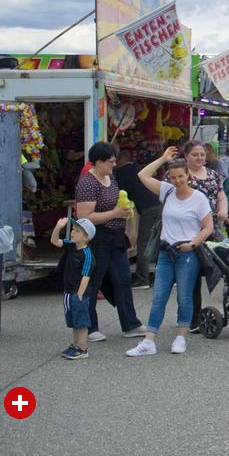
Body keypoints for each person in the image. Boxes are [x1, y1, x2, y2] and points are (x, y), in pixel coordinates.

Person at [127, 148, 214, 357]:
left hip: (186, 253)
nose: (177, 181)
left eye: (181, 177)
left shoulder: (199, 198)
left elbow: (208, 227)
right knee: (159, 296)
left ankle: (181, 336)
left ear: (188, 176)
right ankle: (149, 341)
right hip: (166, 251)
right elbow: (142, 175)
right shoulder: (166, 191)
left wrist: (193, 244)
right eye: (173, 177)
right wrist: (163, 159)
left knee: (184, 296)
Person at [74, 141, 143, 342]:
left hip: (116, 237)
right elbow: (84, 216)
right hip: (97, 238)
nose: (114, 165)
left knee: (123, 280)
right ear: (98, 162)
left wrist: (124, 211)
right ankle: (89, 326)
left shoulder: (110, 178)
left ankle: (131, 324)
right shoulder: (87, 182)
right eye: (111, 161)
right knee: (93, 282)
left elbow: (117, 203)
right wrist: (114, 213)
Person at [177, 140, 228, 333]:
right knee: (190, 276)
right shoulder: (180, 175)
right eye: (195, 154)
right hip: (186, 232)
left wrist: (223, 209)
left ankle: (193, 316)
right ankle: (190, 317)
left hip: (210, 230)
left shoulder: (213, 175)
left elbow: (221, 196)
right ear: (186, 157)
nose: (199, 158)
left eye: (202, 155)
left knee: (205, 271)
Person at [114, 148, 158, 289]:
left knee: (143, 243)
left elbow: (119, 194)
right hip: (158, 204)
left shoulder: (121, 172)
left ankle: (142, 279)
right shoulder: (137, 168)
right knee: (158, 241)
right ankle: (168, 276)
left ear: (120, 160)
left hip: (148, 209)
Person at [53, 217, 96, 360]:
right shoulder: (71, 246)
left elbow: (86, 275)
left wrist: (79, 294)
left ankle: (82, 348)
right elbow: (55, 241)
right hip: (68, 291)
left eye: (77, 231)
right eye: (73, 229)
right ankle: (75, 344)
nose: (72, 233)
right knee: (73, 320)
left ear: (86, 237)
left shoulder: (87, 254)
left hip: (78, 293)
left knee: (81, 321)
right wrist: (58, 227)